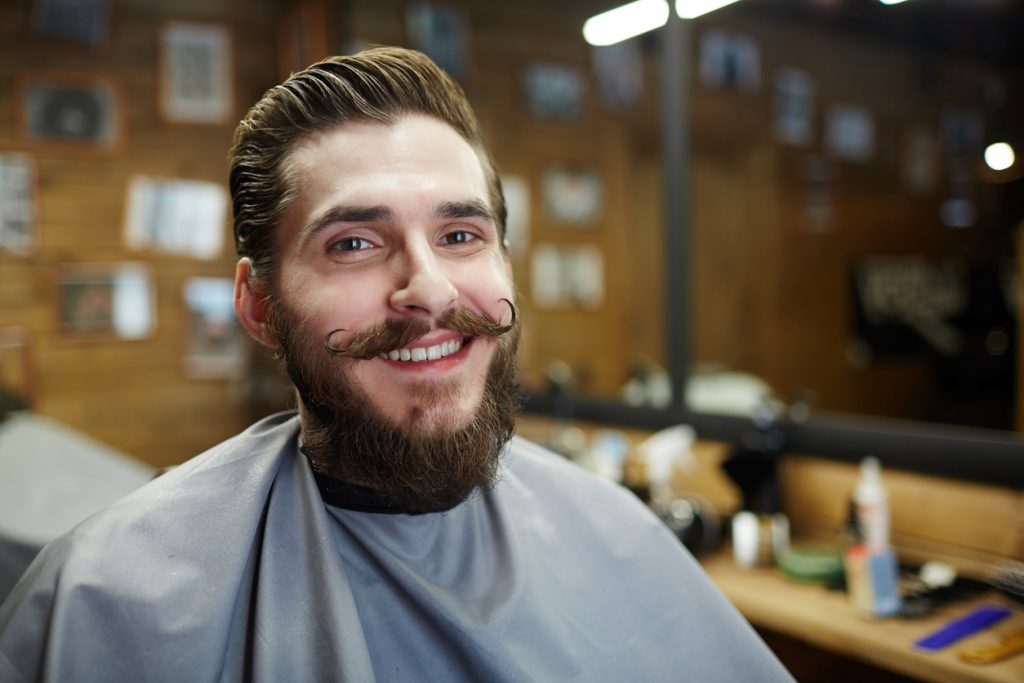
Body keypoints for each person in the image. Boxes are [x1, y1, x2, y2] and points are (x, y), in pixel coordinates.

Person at [0, 47, 794, 682]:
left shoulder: (621, 537)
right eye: (353, 243)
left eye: (460, 235)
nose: (430, 290)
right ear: (257, 305)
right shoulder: (105, 602)